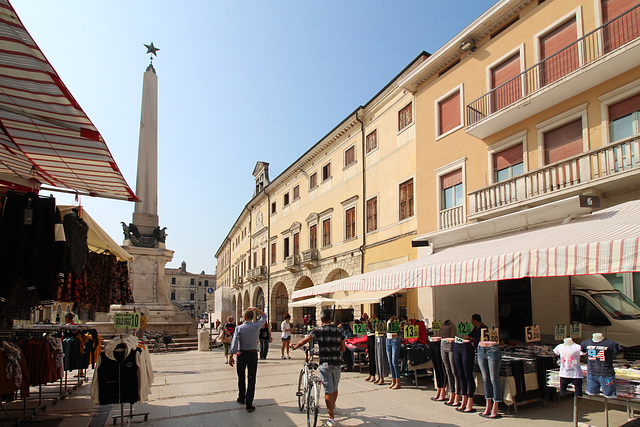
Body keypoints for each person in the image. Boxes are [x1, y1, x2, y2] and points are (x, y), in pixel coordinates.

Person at [292, 308, 346, 427]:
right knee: (335, 387)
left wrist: (295, 346)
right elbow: (343, 349)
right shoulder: (339, 330)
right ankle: (333, 405)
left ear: (321, 319)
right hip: (337, 363)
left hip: (325, 364)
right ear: (331, 319)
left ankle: (331, 419)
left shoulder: (318, 330)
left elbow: (304, 341)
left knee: (328, 389)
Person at [229, 306, 267, 413]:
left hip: (241, 354)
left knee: (241, 377)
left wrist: (231, 355)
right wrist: (256, 309)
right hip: (252, 355)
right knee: (251, 379)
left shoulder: (239, 328)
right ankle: (249, 404)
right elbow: (264, 316)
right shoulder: (256, 326)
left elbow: (235, 343)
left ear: (244, 317)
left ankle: (241, 397)